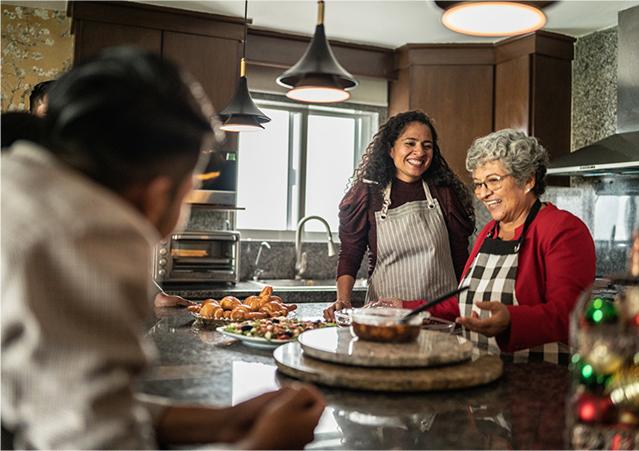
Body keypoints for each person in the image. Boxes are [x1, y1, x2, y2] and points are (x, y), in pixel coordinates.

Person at [1, 47, 324, 449]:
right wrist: (265, 444)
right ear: (158, 195)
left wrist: (224, 421)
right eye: (191, 188)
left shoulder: (26, 190)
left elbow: (79, 406)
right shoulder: (84, 234)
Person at [375, 129, 595, 364]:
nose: (482, 193)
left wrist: (511, 319)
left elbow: (570, 314)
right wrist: (407, 308)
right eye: (479, 184)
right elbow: (465, 299)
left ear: (528, 180)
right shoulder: (490, 231)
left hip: (539, 378)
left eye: (493, 181)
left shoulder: (562, 228)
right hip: (483, 370)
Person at [324, 110, 475, 321]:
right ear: (391, 149)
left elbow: (460, 255)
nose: (419, 152)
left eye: (427, 145)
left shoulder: (444, 192)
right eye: (410, 143)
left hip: (439, 317)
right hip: (385, 317)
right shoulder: (368, 194)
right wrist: (344, 300)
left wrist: (465, 305)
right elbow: (351, 252)